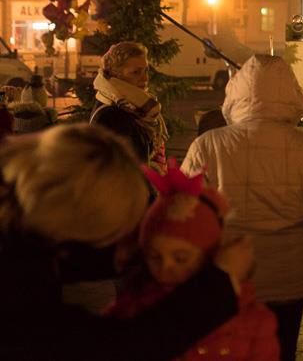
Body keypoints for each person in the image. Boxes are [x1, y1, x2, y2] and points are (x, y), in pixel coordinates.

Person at [0, 123, 254, 360]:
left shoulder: (21, 219)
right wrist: (219, 283)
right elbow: (108, 348)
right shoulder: (14, 279)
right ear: (70, 213)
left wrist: (117, 256)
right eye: (101, 231)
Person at [182, 55, 303, 361]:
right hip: (287, 277)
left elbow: (188, 209)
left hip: (226, 274)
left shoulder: (209, 144)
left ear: (237, 93)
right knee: (281, 350)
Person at [109, 162, 279, 360]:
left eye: (180, 258)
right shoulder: (131, 306)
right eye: (155, 256)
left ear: (212, 254)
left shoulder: (251, 320)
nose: (166, 267)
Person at [91, 41, 168, 174]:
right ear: (116, 76)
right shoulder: (111, 115)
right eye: (135, 72)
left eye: (146, 71)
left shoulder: (138, 105)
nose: (145, 78)